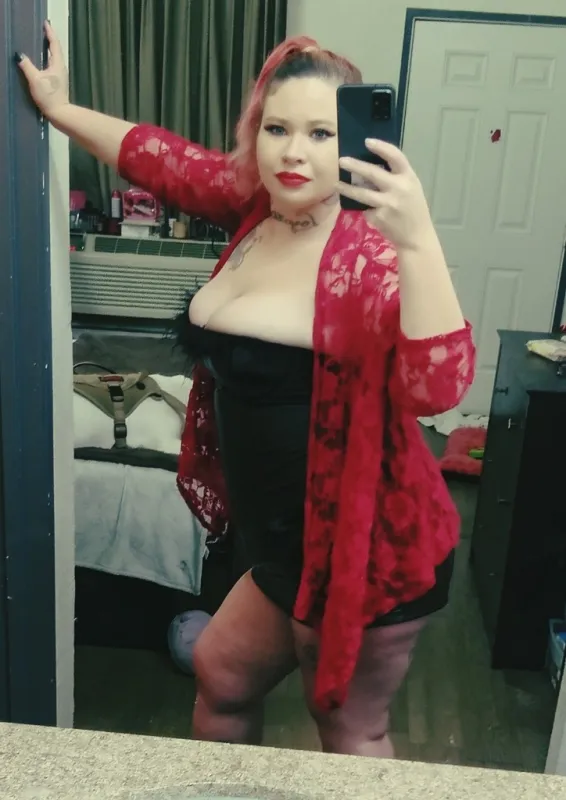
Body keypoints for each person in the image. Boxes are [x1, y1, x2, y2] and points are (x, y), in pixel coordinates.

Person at [18, 23, 475, 758]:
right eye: (277, 128)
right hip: (280, 547)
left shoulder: (370, 255)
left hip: (366, 552)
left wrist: (419, 241)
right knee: (222, 672)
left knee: (351, 729)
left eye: (321, 133)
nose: (294, 152)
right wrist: (60, 109)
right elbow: (161, 158)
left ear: (355, 145)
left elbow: (439, 385)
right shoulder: (257, 208)